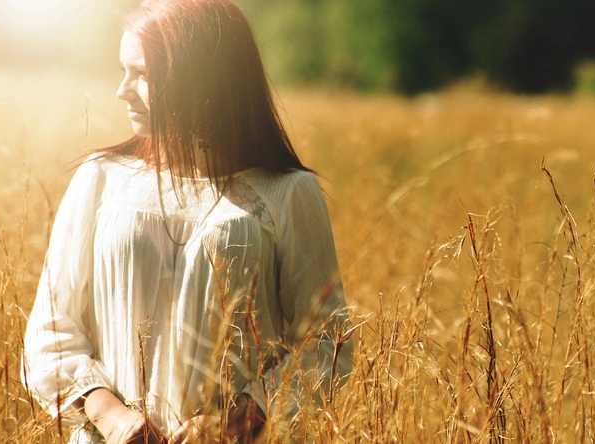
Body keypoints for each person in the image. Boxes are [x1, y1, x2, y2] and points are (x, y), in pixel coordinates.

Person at [21, 0, 353, 442]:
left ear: (200, 81)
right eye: (123, 71)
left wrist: (234, 421)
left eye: (142, 74)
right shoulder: (101, 178)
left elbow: (328, 344)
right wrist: (111, 416)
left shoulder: (288, 192)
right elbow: (50, 331)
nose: (122, 91)